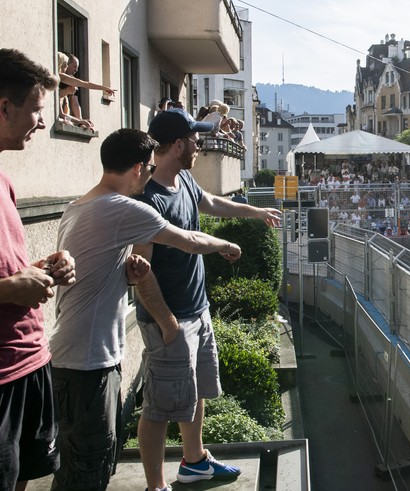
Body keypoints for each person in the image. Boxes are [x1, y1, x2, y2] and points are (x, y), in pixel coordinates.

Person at [49, 128, 242, 490]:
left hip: (71, 354)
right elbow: (189, 240)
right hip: (88, 360)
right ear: (138, 168)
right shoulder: (122, 208)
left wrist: (131, 274)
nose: (151, 176)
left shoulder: (78, 206)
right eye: (149, 169)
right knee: (88, 469)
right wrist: (227, 244)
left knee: (79, 463)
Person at [132, 109, 281, 491]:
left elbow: (214, 203)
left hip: (197, 312)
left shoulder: (183, 180)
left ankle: (195, 461)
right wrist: (166, 322)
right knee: (158, 408)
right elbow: (140, 273)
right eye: (196, 140)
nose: (201, 145)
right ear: (179, 145)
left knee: (195, 391)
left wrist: (256, 212)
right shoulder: (148, 201)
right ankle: (155, 486)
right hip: (172, 321)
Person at [0, 48, 76, 491]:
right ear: (5, 106)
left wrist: (43, 266)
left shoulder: (5, 182)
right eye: (37, 109)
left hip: (30, 363)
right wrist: (11, 288)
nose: (43, 122)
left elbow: (11, 269)